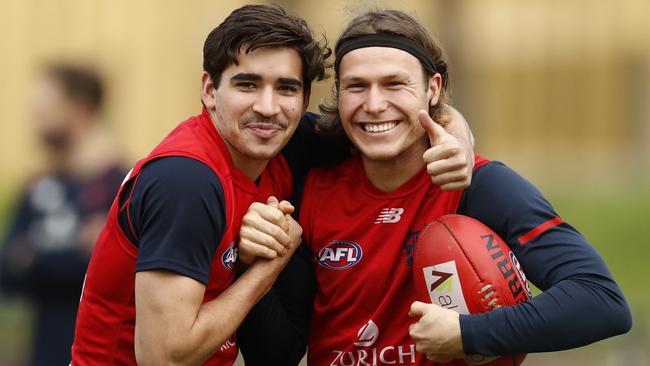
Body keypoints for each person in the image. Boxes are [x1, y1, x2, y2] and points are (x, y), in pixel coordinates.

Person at [70, 5, 474, 365]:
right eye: (247, 85)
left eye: (286, 88)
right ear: (210, 90)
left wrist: (458, 142)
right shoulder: (186, 181)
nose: (267, 107)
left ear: (303, 98)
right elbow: (164, 357)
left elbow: (396, 121)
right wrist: (267, 266)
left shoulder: (283, 144)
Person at [237, 9, 632, 366]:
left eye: (394, 84)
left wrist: (468, 335)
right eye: (356, 86)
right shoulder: (312, 184)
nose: (374, 104)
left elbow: (601, 302)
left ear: (433, 88)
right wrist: (252, 263)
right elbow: (276, 353)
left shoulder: (480, 186)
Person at [0, 63, 125, 366]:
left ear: (79, 109)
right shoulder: (37, 187)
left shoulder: (123, 188)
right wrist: (76, 253)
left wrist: (34, 257)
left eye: (45, 108)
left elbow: (118, 276)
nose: (35, 120)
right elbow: (7, 272)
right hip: (44, 352)